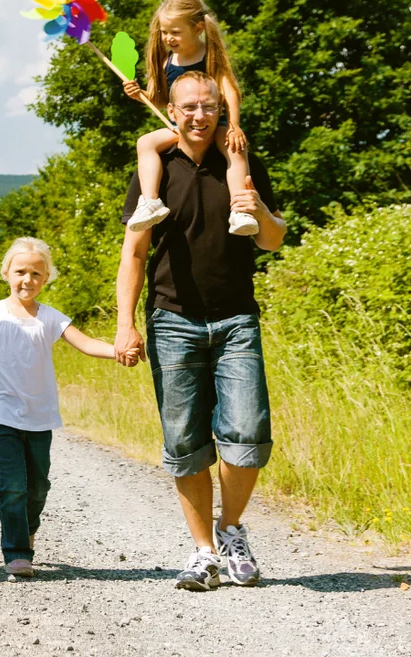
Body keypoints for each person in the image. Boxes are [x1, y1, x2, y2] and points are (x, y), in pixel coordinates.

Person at [113, 70, 286, 591]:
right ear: (172, 110)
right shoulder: (156, 168)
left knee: (247, 434)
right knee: (186, 442)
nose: (199, 115)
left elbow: (273, 239)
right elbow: (134, 252)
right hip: (171, 320)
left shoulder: (240, 159)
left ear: (220, 110)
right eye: (188, 106)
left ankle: (230, 531)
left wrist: (258, 209)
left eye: (208, 106)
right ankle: (204, 553)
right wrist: (125, 324)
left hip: (236, 319)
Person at [0, 237, 116, 578]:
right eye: (21, 271)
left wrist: (119, 351)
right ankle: (17, 553)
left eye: (36, 273)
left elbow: (86, 344)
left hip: (39, 417)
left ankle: (27, 529)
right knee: (13, 485)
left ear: (46, 278)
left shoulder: (50, 318)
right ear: (6, 272)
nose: (28, 279)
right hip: (1, 413)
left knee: (37, 488)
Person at [122, 0, 257, 237]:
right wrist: (139, 94)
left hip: (215, 124)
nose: (168, 38)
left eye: (175, 32)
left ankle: (240, 210)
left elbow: (230, 91)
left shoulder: (210, 56)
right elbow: (162, 100)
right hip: (179, 129)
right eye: (164, 32)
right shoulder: (167, 61)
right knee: (145, 143)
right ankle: (150, 202)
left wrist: (234, 125)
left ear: (198, 28)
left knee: (235, 149)